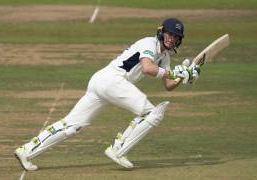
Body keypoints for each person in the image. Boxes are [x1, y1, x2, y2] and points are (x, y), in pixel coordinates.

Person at [14, 18, 200, 171]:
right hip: (112, 80)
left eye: (176, 37)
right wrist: (176, 73)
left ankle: (26, 150)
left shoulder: (165, 57)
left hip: (103, 82)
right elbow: (147, 68)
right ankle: (117, 149)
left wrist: (186, 77)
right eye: (169, 34)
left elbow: (168, 84)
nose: (172, 39)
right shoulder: (148, 43)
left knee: (72, 126)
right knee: (152, 113)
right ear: (161, 32)